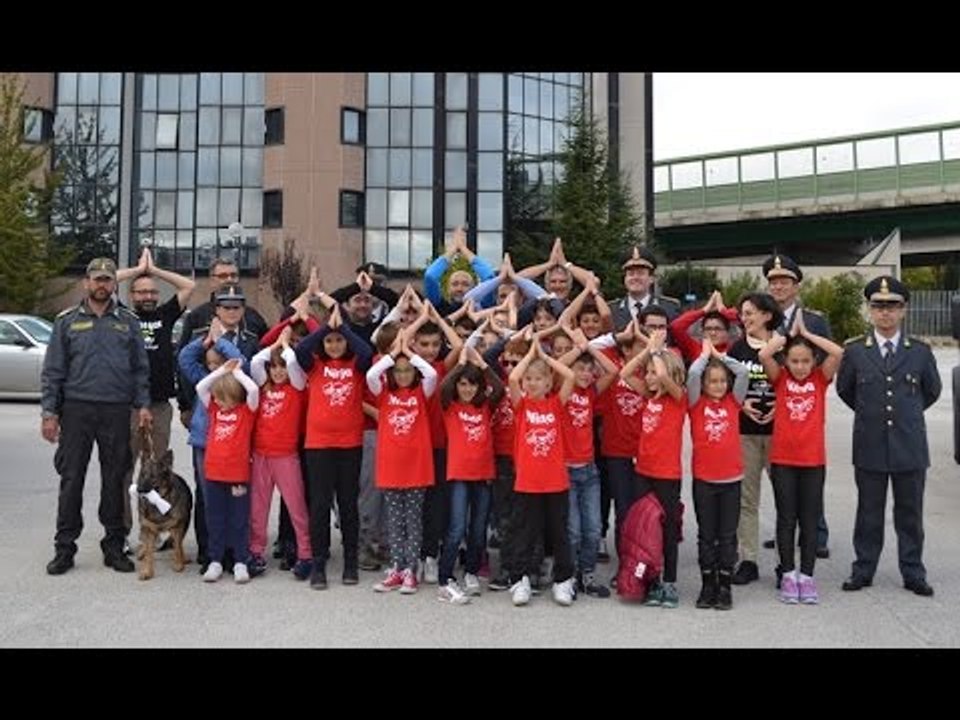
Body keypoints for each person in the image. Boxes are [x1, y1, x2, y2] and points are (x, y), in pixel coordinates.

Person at [42, 258, 151, 575]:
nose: (101, 284)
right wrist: (50, 413)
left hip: (116, 410)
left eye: (107, 279)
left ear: (115, 283)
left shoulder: (128, 322)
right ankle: (64, 548)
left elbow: (140, 369)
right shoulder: (66, 321)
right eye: (96, 279)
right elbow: (53, 371)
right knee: (71, 478)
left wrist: (143, 404)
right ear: (86, 283)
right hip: (76, 409)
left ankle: (114, 546)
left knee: (114, 479)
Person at [836, 276, 941, 597]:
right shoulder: (855, 351)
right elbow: (846, 390)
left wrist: (906, 416)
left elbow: (931, 391)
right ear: (869, 310)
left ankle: (913, 572)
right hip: (870, 443)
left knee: (910, 514)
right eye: (878, 307)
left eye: (892, 307)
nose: (885, 313)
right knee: (868, 512)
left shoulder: (920, 352)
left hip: (909, 446)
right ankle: (863, 569)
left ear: (903, 310)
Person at [758, 313, 844, 604]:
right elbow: (765, 352)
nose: (799, 367)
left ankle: (807, 577)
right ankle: (788, 574)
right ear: (786, 362)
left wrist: (806, 333)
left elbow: (838, 352)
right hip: (783, 460)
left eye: (805, 361)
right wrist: (787, 337)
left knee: (808, 521)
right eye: (794, 361)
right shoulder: (780, 378)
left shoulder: (820, 379)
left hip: (812, 462)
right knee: (786, 520)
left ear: (814, 362)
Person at [116, 247, 195, 547]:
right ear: (132, 295)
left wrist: (155, 270)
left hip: (160, 406)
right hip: (129, 406)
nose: (147, 296)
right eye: (141, 292)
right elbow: (106, 282)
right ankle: (123, 533)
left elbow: (189, 286)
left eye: (152, 291)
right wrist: (137, 270)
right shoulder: (121, 315)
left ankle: (158, 527)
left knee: (156, 472)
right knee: (124, 472)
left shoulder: (165, 314)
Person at [761, 253, 831, 558]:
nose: (778, 287)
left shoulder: (814, 320)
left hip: (804, 404)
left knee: (809, 476)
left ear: (796, 285)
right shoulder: (763, 318)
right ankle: (785, 533)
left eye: (784, 281)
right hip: (767, 398)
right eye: (773, 282)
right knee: (783, 482)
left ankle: (818, 533)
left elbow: (829, 361)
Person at [686, 339, 750, 610]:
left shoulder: (734, 402)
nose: (719, 385)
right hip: (704, 481)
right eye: (712, 381)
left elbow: (744, 373)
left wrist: (721, 358)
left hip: (731, 480)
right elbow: (692, 374)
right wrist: (705, 356)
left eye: (723, 380)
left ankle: (724, 584)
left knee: (727, 535)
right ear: (704, 384)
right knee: (706, 535)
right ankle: (707, 583)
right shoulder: (696, 404)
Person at [176, 256, 267, 430]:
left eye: (233, 275)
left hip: (244, 409)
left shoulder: (254, 318)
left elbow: (261, 364)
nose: (229, 279)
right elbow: (183, 365)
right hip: (204, 405)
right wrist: (186, 406)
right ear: (212, 280)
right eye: (223, 276)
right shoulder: (196, 316)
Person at [195, 358, 260, 584]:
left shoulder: (246, 411)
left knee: (239, 519)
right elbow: (200, 387)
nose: (219, 402)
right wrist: (222, 371)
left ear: (235, 397)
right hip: (213, 474)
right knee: (215, 519)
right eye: (217, 398)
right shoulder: (214, 409)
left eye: (224, 398)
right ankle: (216, 560)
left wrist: (238, 373)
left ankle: (240, 560)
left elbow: (252, 390)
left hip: (238, 475)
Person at [610, 245, 681, 330]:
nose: (635, 278)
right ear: (624, 279)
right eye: (631, 274)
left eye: (641, 273)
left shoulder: (670, 308)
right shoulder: (611, 310)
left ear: (652, 278)